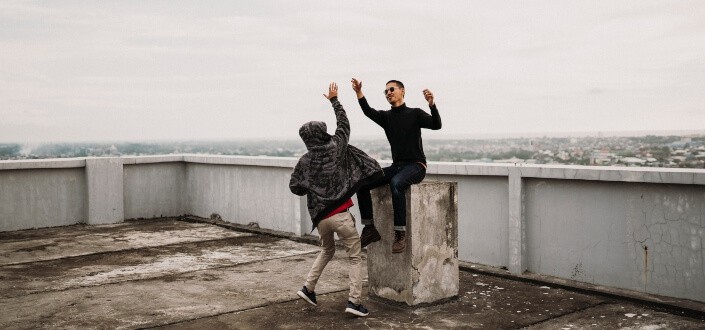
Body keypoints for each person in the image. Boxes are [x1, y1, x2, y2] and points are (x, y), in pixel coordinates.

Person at [289, 82, 383, 317]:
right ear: (322, 132)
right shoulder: (336, 147)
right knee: (354, 256)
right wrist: (334, 100)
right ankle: (354, 301)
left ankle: (308, 288)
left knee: (326, 250)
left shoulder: (305, 161)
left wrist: (313, 187)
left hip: (321, 219)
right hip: (340, 214)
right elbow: (344, 124)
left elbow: (295, 187)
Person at [351, 78, 442, 253]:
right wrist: (359, 93)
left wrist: (432, 105)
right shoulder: (386, 117)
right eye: (385, 92)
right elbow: (368, 111)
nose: (388, 93)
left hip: (416, 165)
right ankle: (369, 228)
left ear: (402, 91)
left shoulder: (415, 113)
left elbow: (436, 125)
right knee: (362, 183)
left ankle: (400, 234)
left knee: (397, 184)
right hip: (397, 166)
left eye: (391, 89)